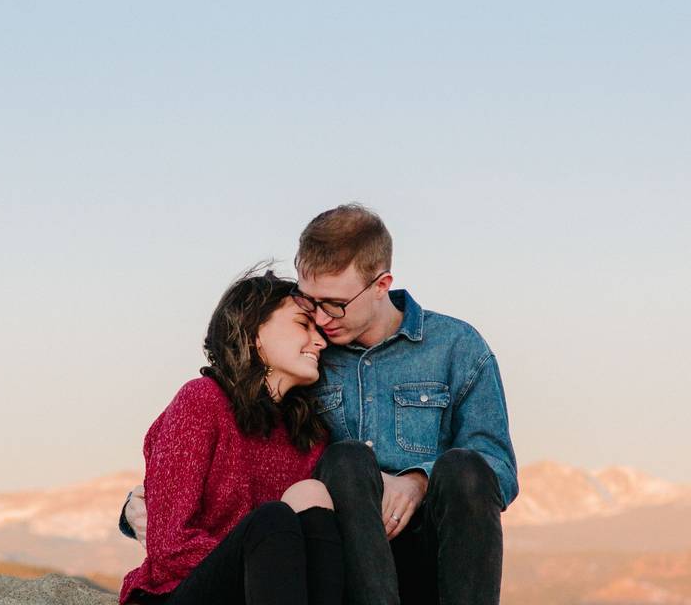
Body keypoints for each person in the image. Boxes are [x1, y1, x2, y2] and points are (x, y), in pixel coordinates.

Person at [123, 204, 518, 605]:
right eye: (309, 304)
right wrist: (135, 507)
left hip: (431, 553)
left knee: (467, 467)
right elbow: (228, 451)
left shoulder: (457, 347)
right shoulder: (305, 362)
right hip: (344, 562)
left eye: (334, 304)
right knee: (345, 460)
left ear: (382, 284)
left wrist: (417, 481)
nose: (322, 323)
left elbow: (499, 470)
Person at [118, 269, 343, 605]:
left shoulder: (311, 434)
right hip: (179, 593)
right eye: (302, 324)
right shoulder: (201, 401)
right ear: (254, 332)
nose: (320, 341)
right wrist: (265, 556)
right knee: (272, 519)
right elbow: (169, 547)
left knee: (310, 494)